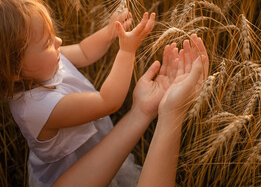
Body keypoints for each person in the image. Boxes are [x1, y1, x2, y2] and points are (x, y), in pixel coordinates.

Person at [0, 0, 154, 186]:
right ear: (14, 71)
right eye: (47, 43)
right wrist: (127, 52)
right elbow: (108, 102)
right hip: (78, 172)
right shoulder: (39, 108)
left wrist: (110, 30)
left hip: (94, 151)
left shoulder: (45, 64)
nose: (58, 41)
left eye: (53, 35)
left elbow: (84, 51)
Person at [53, 35, 209, 187]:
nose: (59, 40)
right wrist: (172, 114)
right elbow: (109, 102)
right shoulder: (43, 107)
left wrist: (141, 110)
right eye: (44, 42)